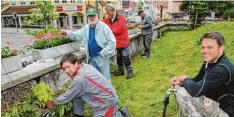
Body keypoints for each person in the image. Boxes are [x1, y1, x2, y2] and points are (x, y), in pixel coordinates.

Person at [170, 32, 234, 117]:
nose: (204, 51)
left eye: (209, 47)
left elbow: (196, 91)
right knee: (179, 87)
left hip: (225, 112)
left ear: (221, 49)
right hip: (214, 103)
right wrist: (181, 82)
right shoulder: (209, 62)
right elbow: (197, 80)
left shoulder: (222, 68)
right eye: (203, 47)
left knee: (183, 92)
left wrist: (185, 79)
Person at [47, 53, 131, 117]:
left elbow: (67, 96)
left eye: (68, 67)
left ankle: (121, 114)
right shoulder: (84, 66)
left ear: (76, 63)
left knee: (74, 94)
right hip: (106, 96)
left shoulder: (80, 79)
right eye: (64, 68)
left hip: (107, 103)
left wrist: (53, 104)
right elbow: (73, 92)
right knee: (77, 96)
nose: (66, 71)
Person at [61, 8, 116, 81]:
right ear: (87, 17)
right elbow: (77, 35)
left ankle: (109, 92)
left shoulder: (104, 27)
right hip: (91, 58)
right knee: (95, 78)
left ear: (97, 16)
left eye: (93, 15)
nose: (92, 18)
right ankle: (98, 92)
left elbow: (112, 42)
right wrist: (67, 33)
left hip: (102, 57)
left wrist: (104, 52)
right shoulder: (86, 28)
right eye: (90, 16)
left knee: (105, 78)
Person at [103, 4, 134, 79]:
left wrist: (110, 31)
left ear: (113, 11)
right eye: (106, 13)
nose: (107, 14)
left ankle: (130, 71)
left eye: (108, 12)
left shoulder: (121, 17)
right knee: (119, 57)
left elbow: (121, 28)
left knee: (125, 57)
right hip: (116, 43)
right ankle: (121, 70)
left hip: (123, 41)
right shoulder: (108, 19)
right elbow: (102, 25)